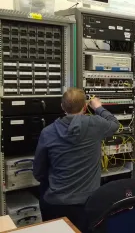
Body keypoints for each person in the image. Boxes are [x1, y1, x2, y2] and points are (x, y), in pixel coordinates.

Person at [33, 88, 119, 231]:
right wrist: (98, 107)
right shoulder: (96, 124)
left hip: (55, 203)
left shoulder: (47, 132)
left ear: (62, 107)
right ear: (85, 107)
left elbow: (38, 172)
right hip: (87, 203)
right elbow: (114, 123)